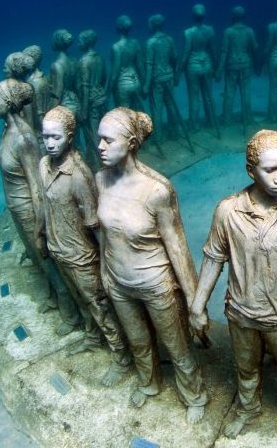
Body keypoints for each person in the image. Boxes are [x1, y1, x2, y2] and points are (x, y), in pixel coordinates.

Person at [189, 130, 277, 448]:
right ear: (251, 170)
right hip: (241, 313)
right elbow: (213, 258)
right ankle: (248, 409)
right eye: (270, 170)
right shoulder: (228, 211)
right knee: (246, 369)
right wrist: (198, 306)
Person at [96, 107, 207, 419]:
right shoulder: (100, 180)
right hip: (119, 282)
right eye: (99, 140)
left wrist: (194, 301)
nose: (100, 147)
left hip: (156, 285)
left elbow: (178, 248)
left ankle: (194, 395)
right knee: (139, 341)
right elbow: (105, 232)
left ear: (131, 143)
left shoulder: (157, 190)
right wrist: (105, 272)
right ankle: (149, 383)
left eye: (108, 140)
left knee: (177, 345)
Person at [39, 106, 130, 385]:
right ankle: (92, 337)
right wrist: (42, 237)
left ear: (70, 136)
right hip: (58, 249)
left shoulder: (78, 175)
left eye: (56, 137)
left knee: (100, 306)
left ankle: (122, 356)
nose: (50, 143)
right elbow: (45, 206)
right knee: (82, 302)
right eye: (45, 137)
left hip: (82, 256)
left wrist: (106, 263)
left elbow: (94, 223)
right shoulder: (43, 165)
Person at [0, 78, 81, 335]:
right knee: (36, 258)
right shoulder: (6, 130)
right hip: (17, 208)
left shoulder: (23, 138)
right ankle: (54, 297)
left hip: (30, 210)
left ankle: (71, 312)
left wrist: (41, 226)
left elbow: (36, 187)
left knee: (47, 259)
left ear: (8, 103)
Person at [144, 13, 188, 140]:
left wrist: (146, 85)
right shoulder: (169, 39)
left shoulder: (150, 43)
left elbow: (149, 66)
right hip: (168, 76)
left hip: (157, 79)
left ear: (153, 25)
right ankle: (174, 133)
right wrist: (175, 75)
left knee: (157, 108)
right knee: (171, 105)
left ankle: (159, 136)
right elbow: (175, 58)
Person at [216, 6, 258, 125]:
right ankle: (247, 118)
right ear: (244, 17)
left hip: (232, 65)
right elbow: (254, 48)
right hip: (245, 64)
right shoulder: (249, 31)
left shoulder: (228, 31)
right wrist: (257, 64)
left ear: (233, 17)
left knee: (229, 93)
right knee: (246, 93)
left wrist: (219, 69)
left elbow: (224, 51)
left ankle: (227, 119)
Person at [181, 4, 217, 129]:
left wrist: (180, 69)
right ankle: (212, 122)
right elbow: (213, 50)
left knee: (194, 97)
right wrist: (216, 66)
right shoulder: (210, 30)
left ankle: (194, 124)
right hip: (207, 63)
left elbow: (186, 52)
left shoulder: (188, 32)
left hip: (193, 65)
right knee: (208, 95)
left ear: (193, 16)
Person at [75, 29, 106, 166]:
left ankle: (102, 165)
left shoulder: (83, 62)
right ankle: (94, 160)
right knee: (103, 133)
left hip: (91, 103)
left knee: (94, 136)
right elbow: (104, 78)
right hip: (101, 98)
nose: (78, 43)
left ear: (87, 42)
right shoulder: (99, 57)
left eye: (80, 40)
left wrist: (84, 110)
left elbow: (85, 87)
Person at [109, 15, 144, 110]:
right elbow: (140, 66)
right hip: (136, 82)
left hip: (123, 85)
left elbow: (115, 73)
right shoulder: (135, 43)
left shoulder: (116, 47)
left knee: (125, 117)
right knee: (137, 113)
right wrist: (144, 84)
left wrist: (109, 90)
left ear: (118, 28)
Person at [48, 29, 79, 114]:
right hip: (75, 102)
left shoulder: (57, 65)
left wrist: (51, 113)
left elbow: (58, 91)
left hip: (63, 105)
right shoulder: (74, 61)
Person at [23, 45, 52, 135]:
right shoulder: (44, 77)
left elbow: (40, 112)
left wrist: (46, 132)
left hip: (39, 129)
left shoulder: (34, 83)